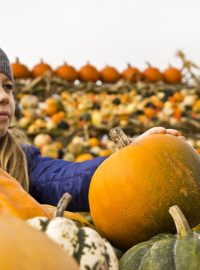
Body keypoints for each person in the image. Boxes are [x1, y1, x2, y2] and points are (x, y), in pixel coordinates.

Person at [0, 48, 184, 212]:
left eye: (8, 87)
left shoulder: (21, 163)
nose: (4, 97)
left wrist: (133, 159)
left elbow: (68, 179)